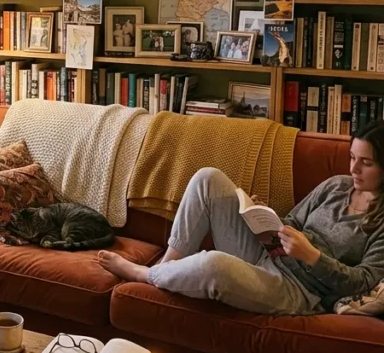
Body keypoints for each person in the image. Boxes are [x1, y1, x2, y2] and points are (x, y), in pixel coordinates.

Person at [98, 121, 384, 315]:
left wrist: (312, 256)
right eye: (352, 157)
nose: (354, 169)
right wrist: (265, 216)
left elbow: (363, 282)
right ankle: (167, 266)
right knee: (208, 179)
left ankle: (146, 275)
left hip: (299, 291)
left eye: (366, 162)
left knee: (213, 264)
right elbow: (293, 223)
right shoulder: (336, 186)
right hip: (270, 252)